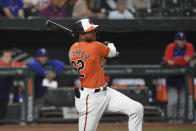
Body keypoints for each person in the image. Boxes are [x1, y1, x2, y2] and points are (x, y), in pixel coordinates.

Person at [69, 18, 143, 131]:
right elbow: (113, 52)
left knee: (136, 108)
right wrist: (109, 44)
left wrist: (102, 54)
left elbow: (95, 59)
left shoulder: (72, 49)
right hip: (91, 98)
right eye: (89, 31)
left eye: (93, 30)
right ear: (80, 34)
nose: (93, 33)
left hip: (105, 93)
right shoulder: (96, 46)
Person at [163, 32, 194, 123]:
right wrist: (182, 61)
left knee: (183, 104)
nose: (181, 42)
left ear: (185, 41)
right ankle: (171, 123)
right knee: (173, 102)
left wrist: (174, 62)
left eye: (183, 40)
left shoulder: (189, 46)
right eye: (179, 40)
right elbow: (168, 62)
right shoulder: (170, 47)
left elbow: (188, 61)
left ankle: (180, 124)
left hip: (184, 81)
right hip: (172, 80)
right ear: (175, 41)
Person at [28, 48, 64, 120]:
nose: (44, 58)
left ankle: (32, 124)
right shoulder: (34, 62)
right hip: (30, 92)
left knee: (36, 111)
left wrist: (54, 73)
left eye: (45, 56)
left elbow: (61, 64)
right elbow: (31, 63)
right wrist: (45, 74)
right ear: (37, 57)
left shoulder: (48, 62)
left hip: (41, 91)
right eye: (42, 56)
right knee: (27, 109)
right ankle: (23, 124)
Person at [0, 50, 24, 122]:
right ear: (1, 58)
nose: (9, 58)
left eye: (10, 57)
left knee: (2, 116)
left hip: (4, 97)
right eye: (6, 56)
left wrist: (12, 65)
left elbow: (22, 64)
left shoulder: (12, 66)